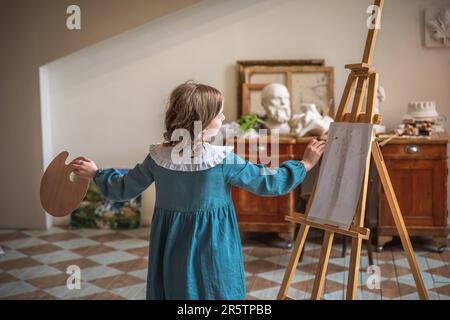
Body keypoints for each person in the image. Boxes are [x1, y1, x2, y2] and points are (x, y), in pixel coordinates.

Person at [70, 80, 325, 300]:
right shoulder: (221, 160)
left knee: (178, 288)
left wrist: (96, 173)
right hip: (214, 245)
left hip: (171, 244)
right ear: (201, 121)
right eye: (219, 114)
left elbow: (124, 189)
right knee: (218, 288)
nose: (224, 118)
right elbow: (268, 182)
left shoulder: (159, 157)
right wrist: (305, 164)